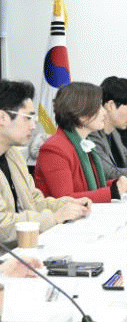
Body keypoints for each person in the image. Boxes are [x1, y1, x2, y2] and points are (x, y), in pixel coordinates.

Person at [0, 80, 91, 243]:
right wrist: (55, 217)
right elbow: (3, 225)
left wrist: (68, 205)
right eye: (28, 118)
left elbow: (34, 201)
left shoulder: (13, 155)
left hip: (26, 244)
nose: (34, 126)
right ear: (2, 117)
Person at [34, 82, 127, 203]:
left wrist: (118, 184)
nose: (104, 112)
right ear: (80, 113)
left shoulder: (84, 142)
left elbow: (90, 187)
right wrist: (113, 191)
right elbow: (65, 199)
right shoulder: (54, 149)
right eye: (99, 107)